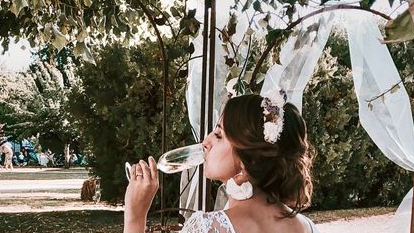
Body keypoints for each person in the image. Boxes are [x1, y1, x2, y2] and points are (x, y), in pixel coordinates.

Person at [124, 90, 319, 233]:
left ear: (245, 162)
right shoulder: (307, 228)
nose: (206, 142)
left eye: (218, 134)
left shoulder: (207, 228)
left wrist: (135, 215)